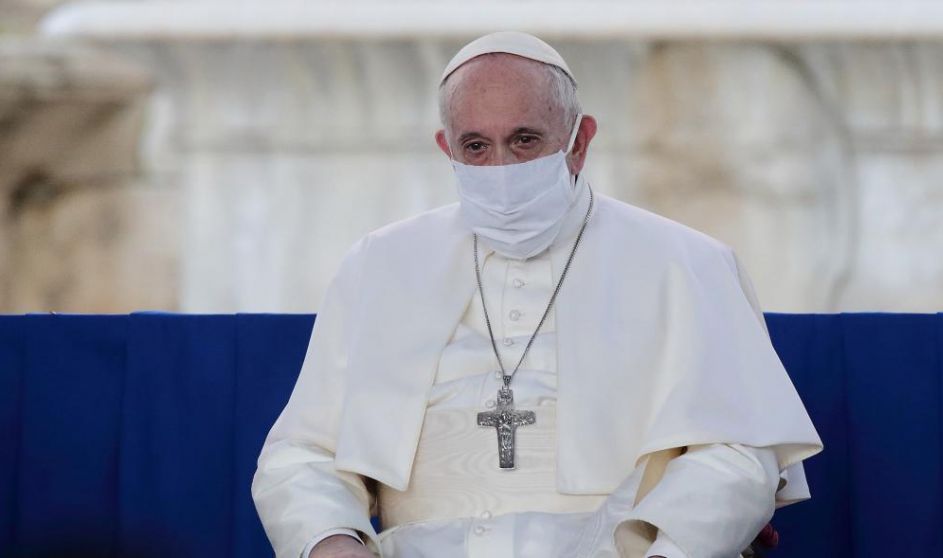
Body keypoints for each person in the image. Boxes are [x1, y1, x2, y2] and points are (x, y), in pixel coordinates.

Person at [251, 31, 823, 558]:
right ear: (447, 148)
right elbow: (302, 454)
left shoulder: (685, 262)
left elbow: (739, 454)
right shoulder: (380, 264)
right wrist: (333, 543)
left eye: (524, 140)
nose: (501, 167)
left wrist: (673, 550)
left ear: (579, 141)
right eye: (476, 146)